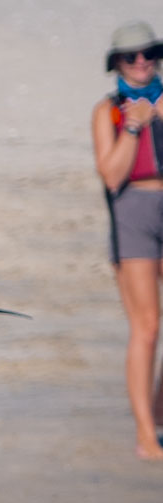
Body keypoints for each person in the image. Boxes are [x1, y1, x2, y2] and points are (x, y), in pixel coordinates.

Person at [93, 20, 163, 460]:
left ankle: (158, 412)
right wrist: (134, 127)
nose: (141, 62)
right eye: (131, 56)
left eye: (149, 53)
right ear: (117, 62)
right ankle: (146, 435)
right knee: (147, 326)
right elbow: (112, 174)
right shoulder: (108, 112)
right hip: (133, 212)